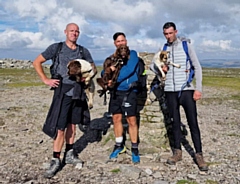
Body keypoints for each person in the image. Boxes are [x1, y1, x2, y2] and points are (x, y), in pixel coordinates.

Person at [32, 23, 97, 178]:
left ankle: (69, 153)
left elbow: (93, 68)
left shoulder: (83, 51)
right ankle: (56, 159)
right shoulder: (57, 48)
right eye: (71, 31)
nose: (74, 33)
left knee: (72, 126)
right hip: (63, 92)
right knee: (60, 127)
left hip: (78, 92)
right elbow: (37, 62)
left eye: (76, 31)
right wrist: (46, 80)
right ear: (65, 32)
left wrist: (86, 77)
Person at [150, 22, 208, 171]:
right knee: (175, 121)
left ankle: (199, 155)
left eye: (170, 33)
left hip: (186, 90)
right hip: (170, 90)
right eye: (166, 34)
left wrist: (198, 89)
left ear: (175, 31)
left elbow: (197, 67)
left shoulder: (186, 45)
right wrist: (160, 69)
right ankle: (177, 152)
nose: (168, 36)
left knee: (193, 122)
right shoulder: (163, 49)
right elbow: (152, 66)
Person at [106, 32, 140, 163]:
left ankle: (135, 148)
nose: (121, 43)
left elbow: (129, 70)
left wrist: (113, 80)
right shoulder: (112, 57)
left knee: (131, 120)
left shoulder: (133, 54)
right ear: (115, 43)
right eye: (118, 41)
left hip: (129, 91)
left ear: (126, 41)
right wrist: (107, 74)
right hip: (116, 92)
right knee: (116, 118)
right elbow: (105, 70)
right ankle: (119, 145)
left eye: (123, 40)